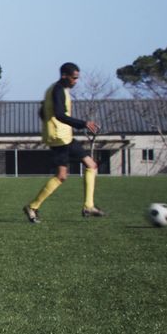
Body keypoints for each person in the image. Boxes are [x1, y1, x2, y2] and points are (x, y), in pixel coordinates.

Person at [23, 63, 104, 224]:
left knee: (91, 165)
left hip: (64, 136)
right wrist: (83, 123)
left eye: (77, 78)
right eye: (74, 78)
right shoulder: (58, 90)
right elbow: (60, 114)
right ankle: (33, 206)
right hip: (59, 138)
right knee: (61, 176)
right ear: (64, 76)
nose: (76, 81)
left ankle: (88, 206)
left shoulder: (55, 89)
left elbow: (43, 111)